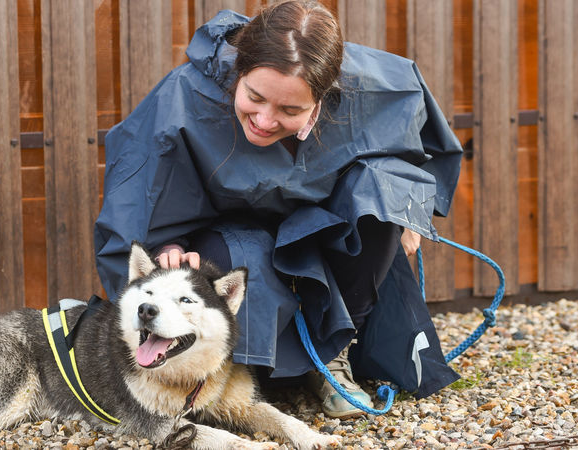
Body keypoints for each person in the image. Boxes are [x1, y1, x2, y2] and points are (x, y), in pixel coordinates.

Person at [95, 0, 462, 419]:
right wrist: (167, 248)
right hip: (229, 237)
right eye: (255, 97)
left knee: (384, 190)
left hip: (326, 231)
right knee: (243, 253)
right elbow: (139, 192)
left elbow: (421, 151)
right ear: (240, 71)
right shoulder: (183, 96)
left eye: (290, 110)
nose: (265, 121)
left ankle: (333, 355)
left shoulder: (378, 87)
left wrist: (410, 209)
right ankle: (245, 371)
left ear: (323, 98)